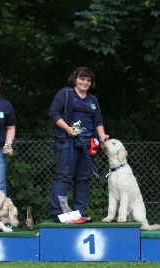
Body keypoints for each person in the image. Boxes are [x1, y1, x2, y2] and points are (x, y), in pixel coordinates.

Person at [49, 66, 109, 221]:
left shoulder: (92, 100)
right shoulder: (65, 94)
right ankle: (59, 213)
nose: (85, 82)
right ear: (75, 79)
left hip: (87, 144)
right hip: (67, 141)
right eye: (82, 79)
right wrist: (68, 129)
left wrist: (102, 137)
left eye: (88, 80)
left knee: (83, 179)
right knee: (63, 177)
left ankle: (79, 213)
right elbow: (54, 113)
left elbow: (98, 121)